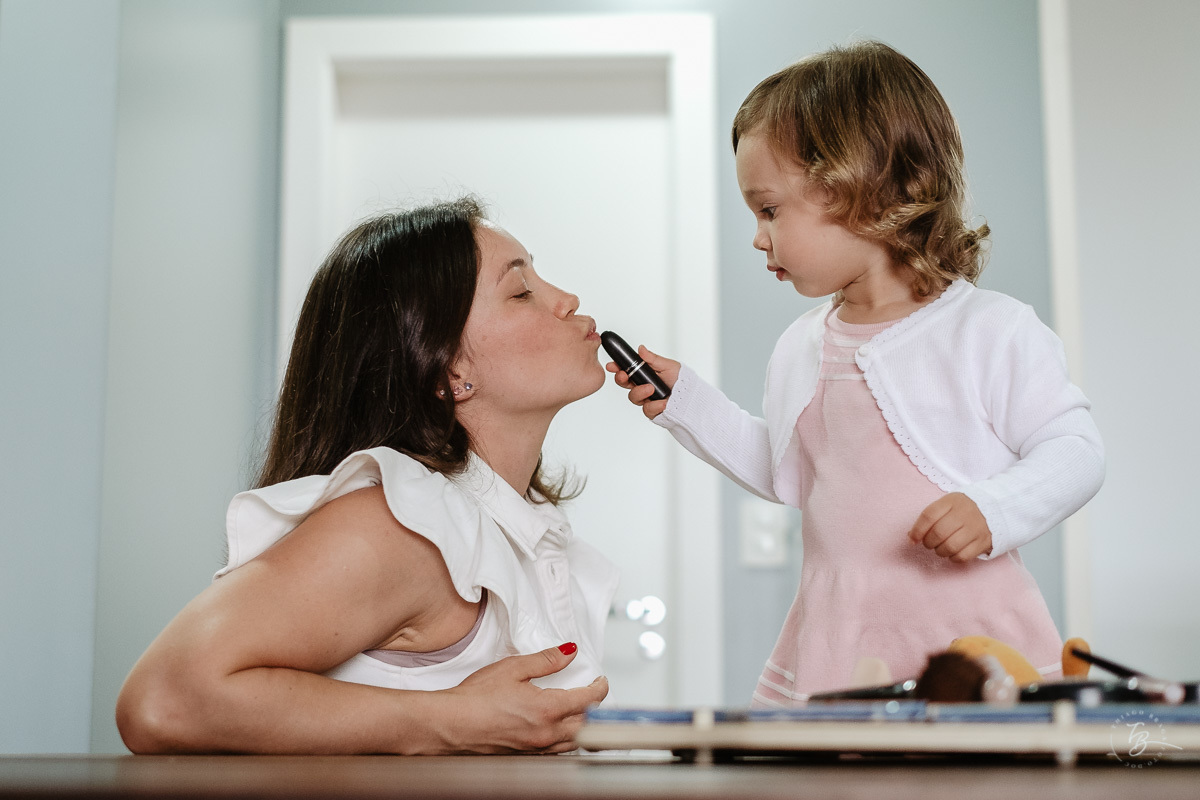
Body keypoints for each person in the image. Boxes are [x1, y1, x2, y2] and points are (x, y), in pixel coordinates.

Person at [609, 41, 1104, 705]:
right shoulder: (801, 345)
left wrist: (995, 509)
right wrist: (689, 404)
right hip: (841, 637)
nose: (758, 237)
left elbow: (1076, 451)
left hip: (968, 641)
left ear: (861, 190)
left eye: (769, 210)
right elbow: (788, 470)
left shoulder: (991, 330)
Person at [117, 197, 617, 753]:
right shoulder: (397, 530)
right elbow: (162, 700)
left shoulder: (523, 535)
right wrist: (453, 719)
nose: (566, 300)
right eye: (521, 291)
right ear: (450, 370)